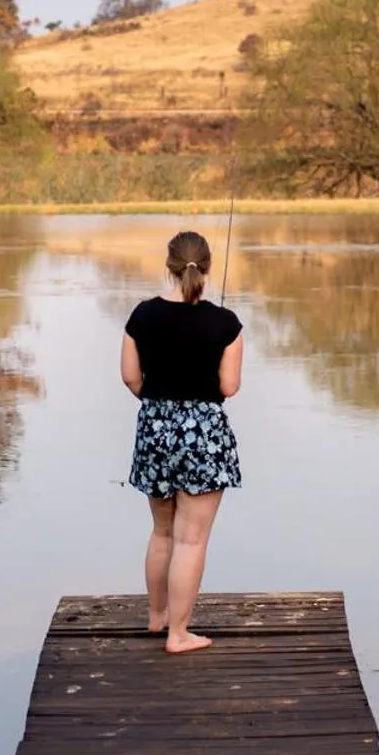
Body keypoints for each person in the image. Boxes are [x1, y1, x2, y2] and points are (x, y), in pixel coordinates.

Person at [121, 231, 245, 655]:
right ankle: (179, 634)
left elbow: (130, 378)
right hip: (204, 434)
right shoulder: (226, 324)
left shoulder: (141, 317)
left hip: (154, 428)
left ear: (169, 266)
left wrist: (160, 406)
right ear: (206, 269)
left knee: (162, 532)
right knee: (190, 539)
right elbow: (229, 387)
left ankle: (157, 618)